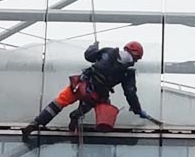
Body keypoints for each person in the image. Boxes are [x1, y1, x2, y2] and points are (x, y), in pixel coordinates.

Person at [21, 41, 160, 142]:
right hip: (96, 95)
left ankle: (35, 123)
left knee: (59, 102)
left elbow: (89, 56)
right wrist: (138, 110)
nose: (134, 61)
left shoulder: (108, 51)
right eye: (136, 59)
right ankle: (76, 117)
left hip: (81, 84)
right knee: (99, 108)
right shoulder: (127, 73)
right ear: (135, 56)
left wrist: (94, 46)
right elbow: (130, 93)